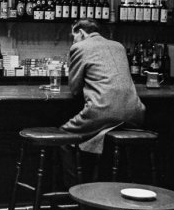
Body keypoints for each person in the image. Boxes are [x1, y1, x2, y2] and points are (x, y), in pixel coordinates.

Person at [60, 18, 146, 185]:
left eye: (73, 36)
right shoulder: (118, 46)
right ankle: (107, 192)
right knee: (104, 140)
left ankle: (75, 196)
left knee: (64, 138)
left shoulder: (79, 47)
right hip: (135, 113)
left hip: (103, 112)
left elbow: (75, 89)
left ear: (81, 32)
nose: (73, 40)